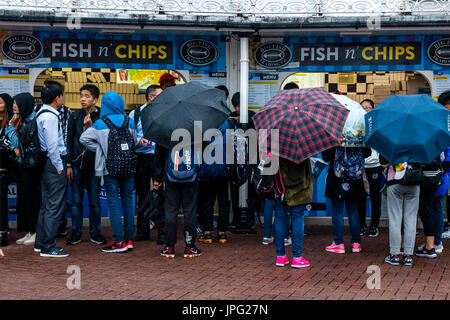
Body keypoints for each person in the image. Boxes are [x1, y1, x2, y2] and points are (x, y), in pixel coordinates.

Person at [80, 91, 137, 253]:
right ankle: (129, 239)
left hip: (109, 167)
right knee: (128, 201)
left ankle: (118, 241)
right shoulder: (130, 121)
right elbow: (134, 143)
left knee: (113, 203)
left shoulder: (100, 123)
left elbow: (83, 139)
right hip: (128, 166)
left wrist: (101, 149)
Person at [66, 84, 106, 246]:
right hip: (76, 165)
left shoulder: (102, 118)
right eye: (81, 95)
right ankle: (76, 232)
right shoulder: (74, 116)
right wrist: (68, 164)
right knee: (76, 201)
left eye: (87, 96)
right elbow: (68, 141)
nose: (83, 99)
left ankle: (95, 232)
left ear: (95, 100)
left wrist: (91, 128)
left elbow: (104, 142)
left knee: (95, 201)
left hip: (95, 166)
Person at [34, 80, 70, 257]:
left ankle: (41, 243)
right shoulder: (51, 116)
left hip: (47, 163)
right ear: (57, 98)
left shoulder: (41, 113)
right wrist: (59, 167)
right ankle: (48, 246)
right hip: (54, 163)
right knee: (55, 206)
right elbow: (53, 146)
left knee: (47, 205)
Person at [129, 84, 165, 243]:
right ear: (151, 97)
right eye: (160, 95)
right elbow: (128, 137)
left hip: (159, 158)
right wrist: (138, 141)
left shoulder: (165, 113)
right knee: (142, 195)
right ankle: (143, 232)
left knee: (161, 196)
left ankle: (163, 234)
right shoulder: (134, 114)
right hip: (142, 158)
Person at [153, 142, 202, 259]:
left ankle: (169, 247)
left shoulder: (166, 130)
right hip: (191, 176)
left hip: (171, 177)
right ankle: (190, 246)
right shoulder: (194, 129)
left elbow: (159, 155)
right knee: (189, 211)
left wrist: (157, 178)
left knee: (170, 211)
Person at [6, 93, 42, 247]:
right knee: (25, 200)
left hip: (31, 167)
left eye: (17, 103)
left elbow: (19, 146)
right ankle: (29, 230)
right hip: (23, 166)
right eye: (13, 103)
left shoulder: (31, 122)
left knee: (33, 200)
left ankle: (35, 232)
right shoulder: (20, 120)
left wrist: (9, 129)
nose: (14, 106)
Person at [322, 146, 371, 254]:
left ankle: (339, 243)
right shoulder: (358, 131)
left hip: (337, 178)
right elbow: (367, 153)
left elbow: (326, 156)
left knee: (337, 210)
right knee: (353, 210)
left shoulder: (334, 134)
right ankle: (356, 243)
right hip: (355, 177)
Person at [380, 156, 421, 266]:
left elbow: (383, 164)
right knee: (411, 220)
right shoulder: (418, 142)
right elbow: (423, 164)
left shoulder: (393, 141)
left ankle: (395, 255)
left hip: (395, 182)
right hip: (414, 182)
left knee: (395, 220)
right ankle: (408, 256)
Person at [274, 157, 313, 268]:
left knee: (279, 217)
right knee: (297, 218)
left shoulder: (276, 145)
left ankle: (280, 256)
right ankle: (297, 257)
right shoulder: (301, 148)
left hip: (280, 188)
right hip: (299, 189)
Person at [358, 99, 383, 237]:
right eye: (362, 107)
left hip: (375, 166)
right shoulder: (356, 125)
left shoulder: (377, 125)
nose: (365, 110)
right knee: (360, 196)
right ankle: (361, 225)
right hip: (360, 166)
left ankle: (374, 226)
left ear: (373, 109)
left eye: (368, 107)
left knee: (375, 196)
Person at [415, 156, 445, 259]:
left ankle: (430, 247)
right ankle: (430, 245)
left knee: (426, 213)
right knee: (428, 213)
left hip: (425, 179)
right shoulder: (434, 142)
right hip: (434, 179)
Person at [437, 91, 450, 239]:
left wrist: (445, 166)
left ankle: (437, 242)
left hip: (444, 170)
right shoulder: (441, 122)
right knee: (438, 206)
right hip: (443, 171)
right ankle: (437, 241)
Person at [0, 93, 11, 247]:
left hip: (6, 169)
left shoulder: (10, 124)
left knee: (1, 203)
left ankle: (2, 233)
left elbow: (9, 146)